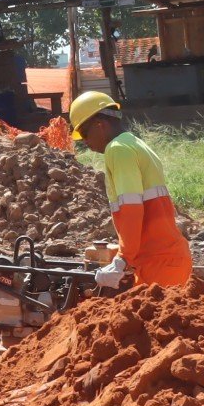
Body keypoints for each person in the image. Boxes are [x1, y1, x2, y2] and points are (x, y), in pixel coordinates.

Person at [68, 90, 194, 289]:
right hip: (165, 259)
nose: (84, 141)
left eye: (84, 133)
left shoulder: (117, 149)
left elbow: (132, 209)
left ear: (100, 124)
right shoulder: (134, 143)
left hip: (158, 264)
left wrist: (122, 260)